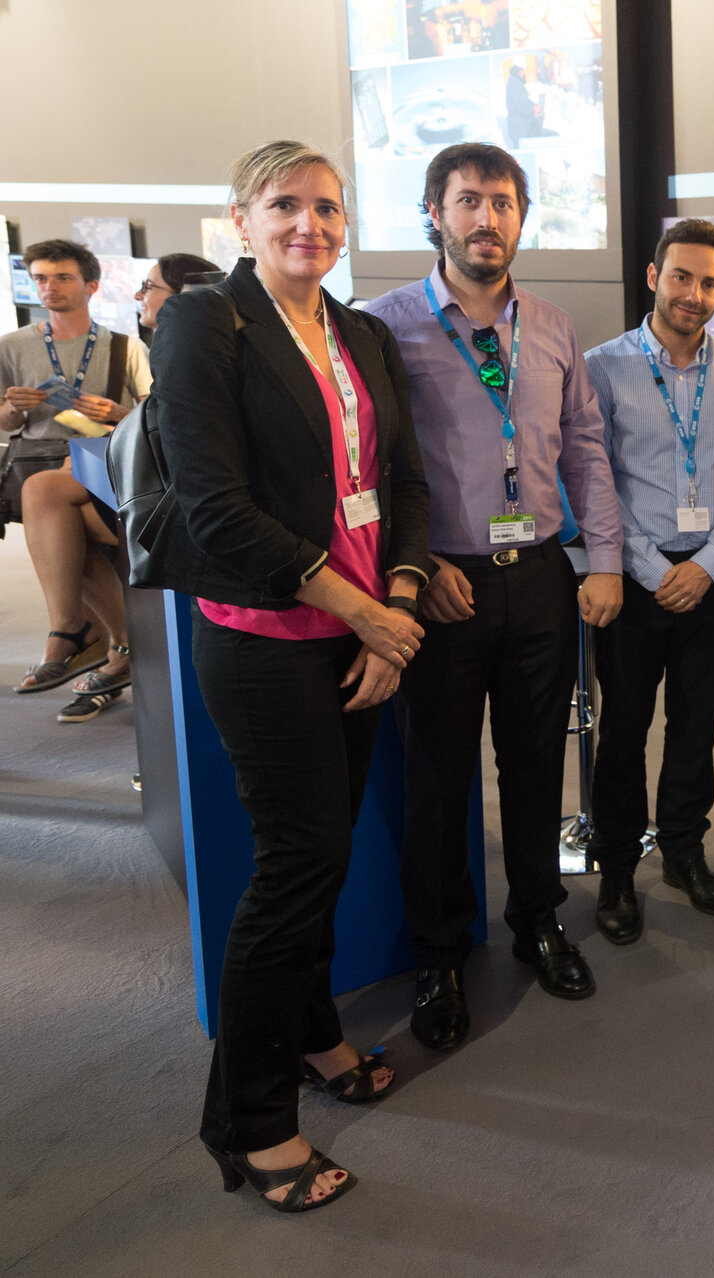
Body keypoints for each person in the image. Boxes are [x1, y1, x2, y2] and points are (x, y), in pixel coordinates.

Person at [150, 140, 432, 1209]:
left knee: (322, 857)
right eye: (284, 206)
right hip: (266, 642)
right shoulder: (202, 326)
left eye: (326, 207)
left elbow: (399, 481)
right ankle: (249, 1121)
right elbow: (216, 505)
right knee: (294, 870)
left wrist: (394, 607)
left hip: (362, 642)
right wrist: (361, 609)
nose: (308, 224)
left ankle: (314, 1031)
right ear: (240, 218)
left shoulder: (356, 332)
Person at [364, 143, 624, 1049]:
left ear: (522, 217)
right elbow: (374, 465)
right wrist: (414, 566)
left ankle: (539, 922)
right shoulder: (381, 325)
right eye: (468, 201)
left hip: (544, 578)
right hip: (441, 586)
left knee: (534, 763)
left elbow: (584, 449)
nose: (487, 219)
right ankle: (438, 955)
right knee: (437, 779)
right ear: (433, 212)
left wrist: (604, 561)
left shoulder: (554, 325)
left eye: (504, 203)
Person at [586, 218, 714, 925]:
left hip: (713, 581)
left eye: (711, 283)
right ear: (654, 276)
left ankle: (686, 852)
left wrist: (709, 565)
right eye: (683, 277)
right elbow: (593, 479)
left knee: (696, 726)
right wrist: (649, 566)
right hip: (632, 581)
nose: (695, 294)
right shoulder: (602, 367)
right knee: (625, 730)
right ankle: (619, 870)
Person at [17, 252, 222, 725]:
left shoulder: (173, 346)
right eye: (41, 279)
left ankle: (97, 639)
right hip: (140, 487)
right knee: (48, 498)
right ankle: (88, 634)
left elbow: (179, 430)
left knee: (54, 506)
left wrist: (118, 423)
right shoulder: (16, 345)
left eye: (148, 288)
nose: (138, 297)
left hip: (181, 504)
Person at [2, 239, 151, 696]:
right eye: (40, 278)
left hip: (103, 467)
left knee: (66, 530)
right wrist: (11, 408)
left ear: (91, 286)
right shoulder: (12, 347)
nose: (49, 287)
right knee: (63, 534)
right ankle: (114, 646)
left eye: (62, 277)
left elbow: (153, 418)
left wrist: (114, 413)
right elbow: (5, 424)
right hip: (37, 468)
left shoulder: (123, 346)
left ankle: (81, 635)